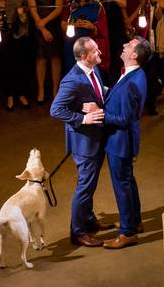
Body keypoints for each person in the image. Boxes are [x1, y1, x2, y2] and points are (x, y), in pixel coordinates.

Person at [50, 37, 110, 248]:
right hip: (84, 142)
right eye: (95, 51)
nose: (99, 52)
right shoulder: (72, 80)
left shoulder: (93, 69)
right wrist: (82, 117)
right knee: (84, 186)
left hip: (96, 138)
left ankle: (88, 219)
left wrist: (106, 94)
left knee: (90, 183)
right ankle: (78, 232)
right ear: (83, 57)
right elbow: (56, 109)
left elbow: (98, 92)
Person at [99, 37, 151, 249]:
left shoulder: (132, 82)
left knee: (122, 186)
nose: (123, 45)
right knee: (128, 182)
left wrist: (101, 114)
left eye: (127, 45)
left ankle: (127, 233)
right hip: (124, 141)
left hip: (120, 142)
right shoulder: (133, 75)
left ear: (135, 55)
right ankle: (134, 221)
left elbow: (124, 119)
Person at [28, 0, 64, 102]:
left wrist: (45, 23)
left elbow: (58, 8)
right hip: (39, 27)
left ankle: (55, 89)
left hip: (53, 24)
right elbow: (33, 9)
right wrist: (42, 27)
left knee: (55, 58)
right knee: (41, 58)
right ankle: (41, 90)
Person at [63, 0, 109, 75]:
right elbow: (64, 25)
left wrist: (92, 26)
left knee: (91, 71)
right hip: (73, 43)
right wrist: (74, 25)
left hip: (91, 42)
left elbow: (103, 26)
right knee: (74, 70)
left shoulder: (97, 6)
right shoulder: (71, 6)